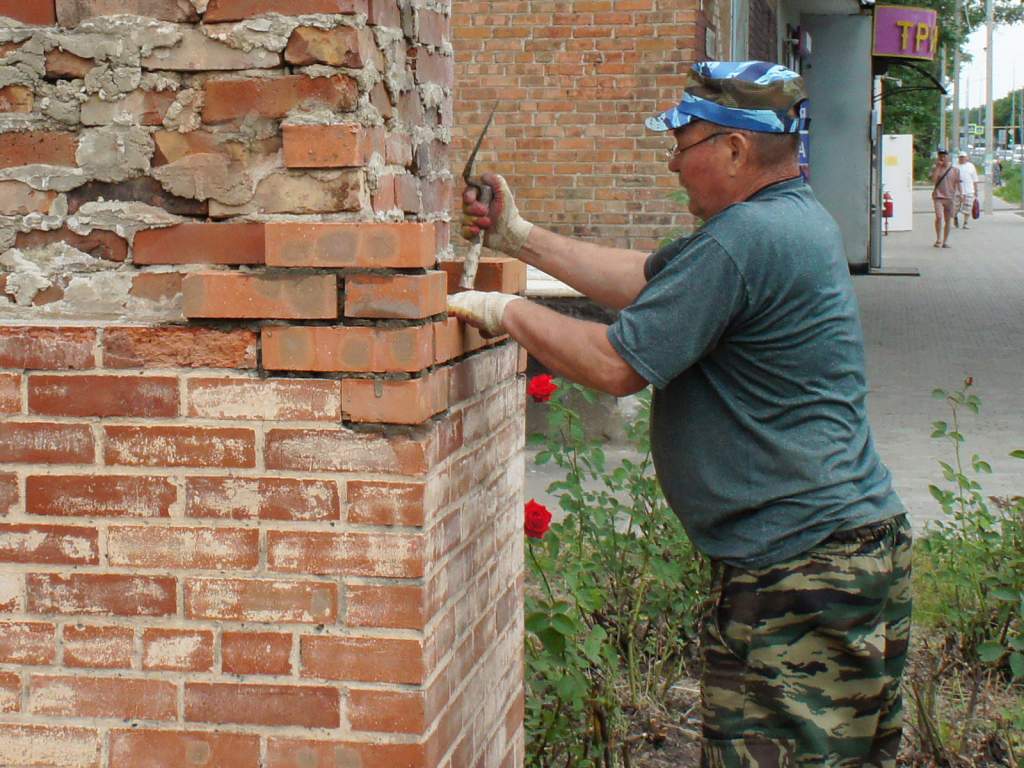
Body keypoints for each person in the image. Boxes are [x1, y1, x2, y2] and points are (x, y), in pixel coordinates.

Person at [450, 60, 910, 767]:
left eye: (683, 144)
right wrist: (520, 236)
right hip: (833, 553)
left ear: (733, 149)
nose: (672, 164)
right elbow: (645, 281)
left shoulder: (743, 240)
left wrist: (504, 309)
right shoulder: (784, 221)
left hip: (799, 571)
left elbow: (615, 365)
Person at [930, 148, 959, 247]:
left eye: (944, 156)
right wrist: (938, 168)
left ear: (948, 157)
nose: (942, 157)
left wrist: (960, 195)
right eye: (940, 156)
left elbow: (957, 183)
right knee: (939, 217)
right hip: (938, 196)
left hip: (950, 197)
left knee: (948, 219)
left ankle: (945, 241)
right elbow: (933, 181)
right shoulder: (936, 168)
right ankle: (938, 239)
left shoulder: (955, 170)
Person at [955, 151, 979, 229]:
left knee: (968, 207)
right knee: (955, 207)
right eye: (960, 157)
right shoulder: (955, 166)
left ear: (966, 158)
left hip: (969, 190)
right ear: (958, 158)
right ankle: (955, 217)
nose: (962, 159)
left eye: (963, 157)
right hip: (957, 191)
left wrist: (976, 190)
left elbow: (975, 179)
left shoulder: (971, 166)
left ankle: (965, 223)